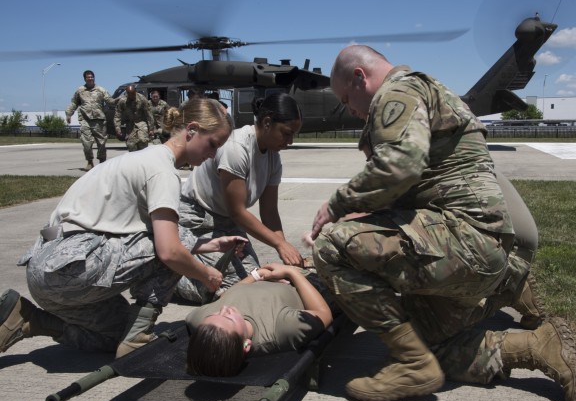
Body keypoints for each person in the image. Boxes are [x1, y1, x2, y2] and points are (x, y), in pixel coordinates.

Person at [310, 45, 576, 401]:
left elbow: (400, 168)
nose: (349, 109)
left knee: (331, 248)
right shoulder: (430, 90)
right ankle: (537, 345)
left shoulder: (396, 92)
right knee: (426, 346)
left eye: (347, 98)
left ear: (360, 77)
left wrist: (336, 206)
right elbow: (413, 184)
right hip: (481, 243)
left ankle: (414, 362)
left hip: (465, 241)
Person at [0, 97, 246, 359]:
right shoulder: (162, 172)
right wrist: (206, 274)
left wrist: (208, 245)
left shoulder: (144, 158)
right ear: (192, 130)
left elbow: (139, 229)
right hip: (66, 268)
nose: (212, 155)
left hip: (51, 272)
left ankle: (26, 319)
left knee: (114, 336)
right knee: (172, 255)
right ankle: (137, 340)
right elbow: (169, 252)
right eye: (212, 145)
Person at [174, 92, 304, 304]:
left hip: (227, 223)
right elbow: (238, 211)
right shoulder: (237, 147)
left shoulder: (273, 158)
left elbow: (269, 212)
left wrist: (284, 248)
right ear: (267, 122)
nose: (290, 141)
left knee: (252, 277)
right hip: (196, 219)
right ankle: (166, 276)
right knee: (221, 287)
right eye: (287, 133)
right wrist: (280, 245)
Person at [185, 263, 333, 377]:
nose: (224, 309)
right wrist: (291, 272)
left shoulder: (201, 320)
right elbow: (324, 313)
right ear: (246, 345)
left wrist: (257, 275)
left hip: (263, 275)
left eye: (215, 313)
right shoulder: (280, 329)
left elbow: (230, 295)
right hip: (304, 280)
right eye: (228, 318)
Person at [65, 70, 118, 171]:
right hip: (85, 120)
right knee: (86, 143)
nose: (90, 79)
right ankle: (90, 162)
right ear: (85, 79)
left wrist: (118, 100)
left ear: (94, 78)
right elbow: (74, 103)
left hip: (99, 121)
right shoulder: (80, 91)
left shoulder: (101, 90)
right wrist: (69, 114)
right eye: (88, 77)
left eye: (91, 77)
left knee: (101, 143)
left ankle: (102, 161)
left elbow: (110, 101)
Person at [114, 85, 154, 152]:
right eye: (129, 94)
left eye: (132, 94)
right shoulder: (123, 101)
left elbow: (149, 115)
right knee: (131, 145)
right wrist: (118, 129)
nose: (131, 96)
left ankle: (143, 160)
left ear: (135, 91)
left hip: (141, 122)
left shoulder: (142, 99)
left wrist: (151, 129)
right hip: (130, 124)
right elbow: (117, 116)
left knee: (143, 141)